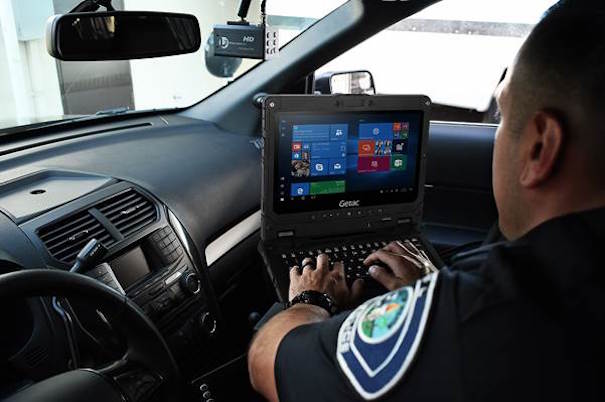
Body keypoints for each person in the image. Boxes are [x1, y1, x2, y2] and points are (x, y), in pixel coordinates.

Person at [248, 1, 605, 401]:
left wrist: (312, 299)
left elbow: (267, 361)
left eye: (501, 116)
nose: (498, 132)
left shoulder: (489, 312)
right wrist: (428, 292)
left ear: (540, 146)